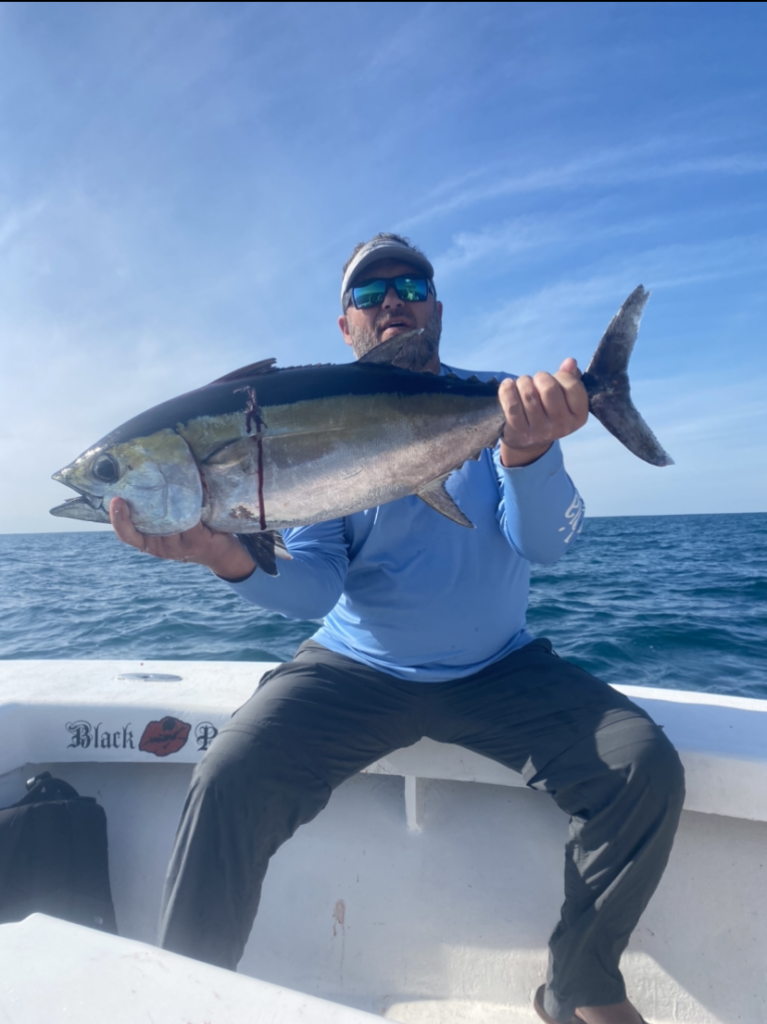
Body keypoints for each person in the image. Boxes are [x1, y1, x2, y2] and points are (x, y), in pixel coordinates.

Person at [110, 233, 684, 1024]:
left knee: (640, 766)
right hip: (355, 669)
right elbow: (313, 590)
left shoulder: (498, 404)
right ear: (343, 325)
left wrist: (526, 453)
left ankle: (579, 985)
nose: (391, 302)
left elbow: (547, 543)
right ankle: (188, 993)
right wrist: (223, 554)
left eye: (409, 285)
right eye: (367, 294)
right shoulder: (303, 428)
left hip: (498, 668)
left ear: (436, 308)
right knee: (228, 779)